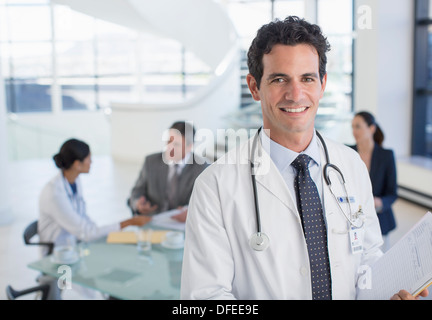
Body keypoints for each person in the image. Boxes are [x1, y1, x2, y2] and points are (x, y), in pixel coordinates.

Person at [180, 16, 428, 300]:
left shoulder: (350, 166)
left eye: (307, 78)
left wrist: (388, 294)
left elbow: (367, 258)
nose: (295, 94)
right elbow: (206, 296)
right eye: (279, 79)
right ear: (254, 87)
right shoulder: (215, 186)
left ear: (322, 84)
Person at [38, 138, 152, 299]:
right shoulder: (54, 193)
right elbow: (86, 232)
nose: (92, 162)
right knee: (95, 289)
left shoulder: (73, 181)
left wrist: (101, 234)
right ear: (77, 164)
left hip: (76, 246)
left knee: (115, 261)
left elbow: (84, 219)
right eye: (89, 158)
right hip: (59, 256)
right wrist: (129, 222)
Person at [128, 121, 209, 223]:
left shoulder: (202, 168)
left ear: (190, 146)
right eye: (168, 141)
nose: (170, 147)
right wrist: (138, 203)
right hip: (152, 222)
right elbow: (136, 192)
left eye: (176, 144)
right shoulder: (151, 162)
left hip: (183, 225)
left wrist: (193, 212)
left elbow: (206, 204)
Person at [350, 111, 398, 251]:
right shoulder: (348, 152)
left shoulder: (386, 155)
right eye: (352, 127)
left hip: (380, 219)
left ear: (371, 128)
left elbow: (392, 193)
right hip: (353, 219)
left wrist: (380, 202)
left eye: (358, 126)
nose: (354, 131)